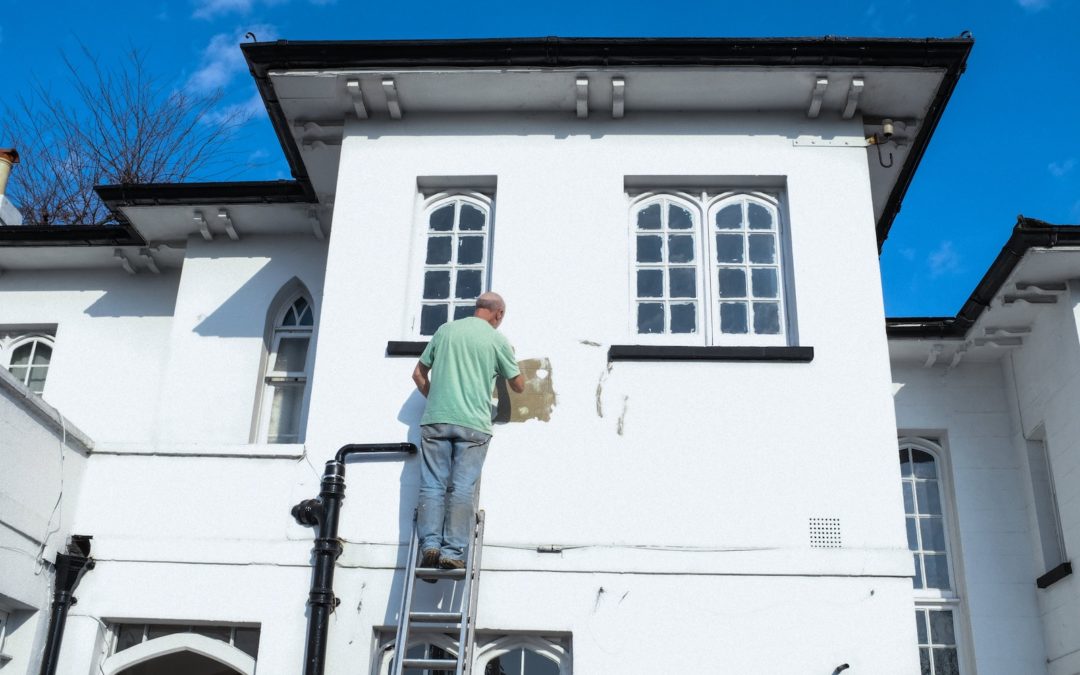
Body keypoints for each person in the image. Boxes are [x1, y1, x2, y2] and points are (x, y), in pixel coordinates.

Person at [411, 292, 525, 570]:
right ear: (498, 314)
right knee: (462, 488)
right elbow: (519, 385)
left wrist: (437, 399)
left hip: (436, 420)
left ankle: (430, 547)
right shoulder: (496, 340)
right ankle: (452, 552)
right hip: (473, 424)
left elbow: (418, 374)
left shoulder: (445, 331)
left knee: (432, 485)